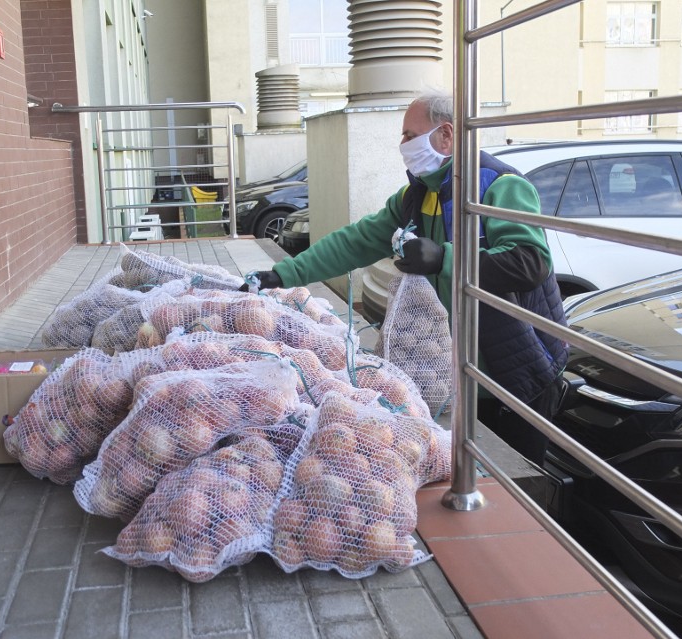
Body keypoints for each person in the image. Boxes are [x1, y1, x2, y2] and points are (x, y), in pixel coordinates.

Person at [242, 89, 569, 465]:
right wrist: (282, 274)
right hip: (460, 371)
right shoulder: (417, 195)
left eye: (410, 135)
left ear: (446, 136)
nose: (403, 145)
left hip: (518, 366)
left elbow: (529, 262)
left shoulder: (500, 186)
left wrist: (443, 257)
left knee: (515, 483)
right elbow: (357, 241)